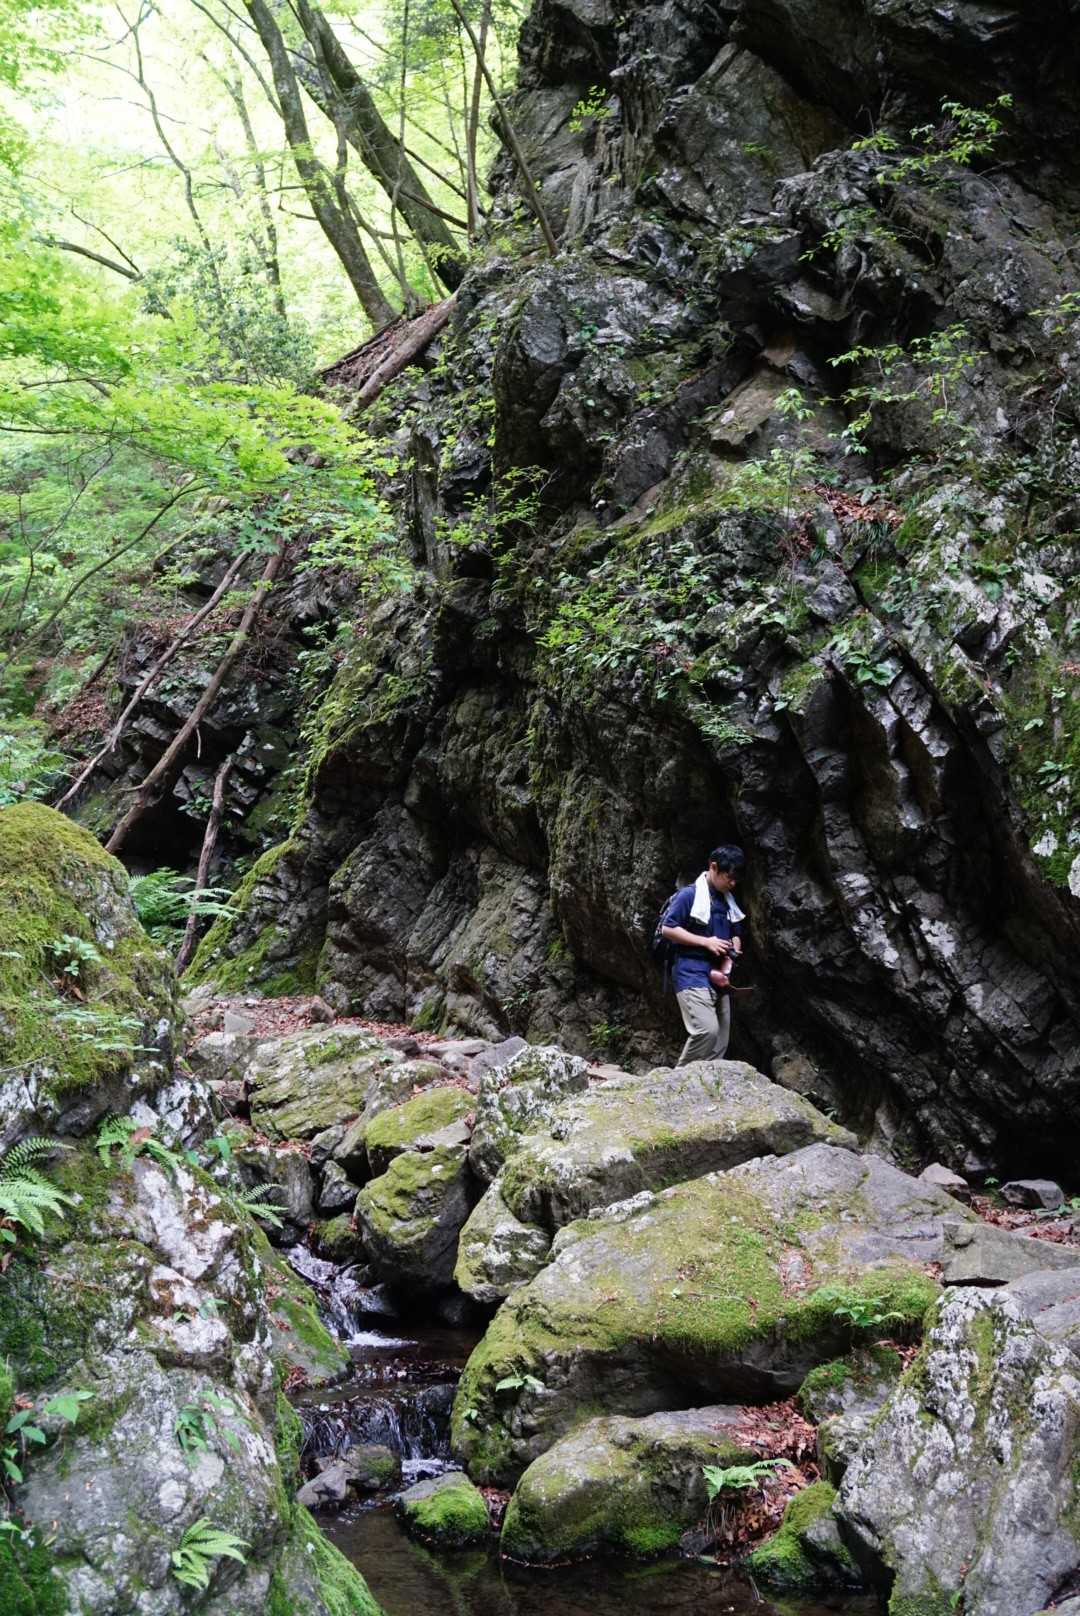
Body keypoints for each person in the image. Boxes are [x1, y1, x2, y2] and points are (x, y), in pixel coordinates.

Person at [660, 844, 747, 1066]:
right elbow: (668, 929)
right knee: (706, 1031)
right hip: (691, 972)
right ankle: (677, 1080)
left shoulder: (727, 901)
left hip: (719, 976)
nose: (733, 884)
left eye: (736, 879)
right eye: (729, 877)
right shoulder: (689, 895)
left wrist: (733, 951)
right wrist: (706, 942)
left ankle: (704, 1084)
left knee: (720, 1042)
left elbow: (736, 931)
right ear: (713, 867)